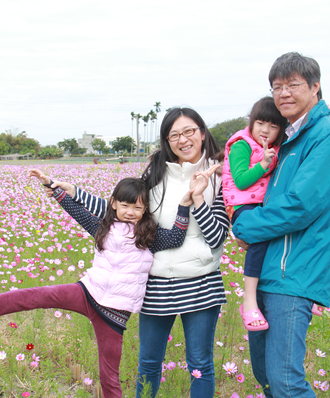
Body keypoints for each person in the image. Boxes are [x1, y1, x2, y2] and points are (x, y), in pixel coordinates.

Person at [0, 175, 201, 398]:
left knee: (109, 375)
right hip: (86, 291)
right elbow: (78, 212)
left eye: (137, 207)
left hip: (114, 313)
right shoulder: (104, 227)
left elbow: (176, 237)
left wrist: (184, 206)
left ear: (145, 209)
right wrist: (54, 189)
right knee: (36, 295)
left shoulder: (147, 236)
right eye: (125, 205)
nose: (131, 212)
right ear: (113, 203)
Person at [63, 107, 229, 398]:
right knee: (149, 363)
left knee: (200, 364)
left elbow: (216, 239)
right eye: (174, 134)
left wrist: (198, 197)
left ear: (202, 133)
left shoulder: (223, 177)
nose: (183, 139)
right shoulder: (155, 175)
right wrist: (76, 193)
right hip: (155, 281)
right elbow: (123, 211)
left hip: (202, 281)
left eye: (189, 131)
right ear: (167, 141)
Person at [233, 52, 330, 397]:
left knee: (285, 379)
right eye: (276, 87)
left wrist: (244, 225)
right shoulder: (286, 140)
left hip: (293, 272)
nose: (283, 93)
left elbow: (300, 206)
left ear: (315, 87)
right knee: (266, 375)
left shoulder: (327, 137)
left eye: (292, 85)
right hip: (271, 269)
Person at [221, 96, 286, 331]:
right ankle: (248, 301)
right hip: (241, 206)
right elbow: (239, 181)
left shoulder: (278, 146)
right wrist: (263, 165)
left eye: (273, 126)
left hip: (262, 205)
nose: (266, 130)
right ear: (251, 122)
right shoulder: (242, 144)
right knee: (259, 236)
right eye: (260, 123)